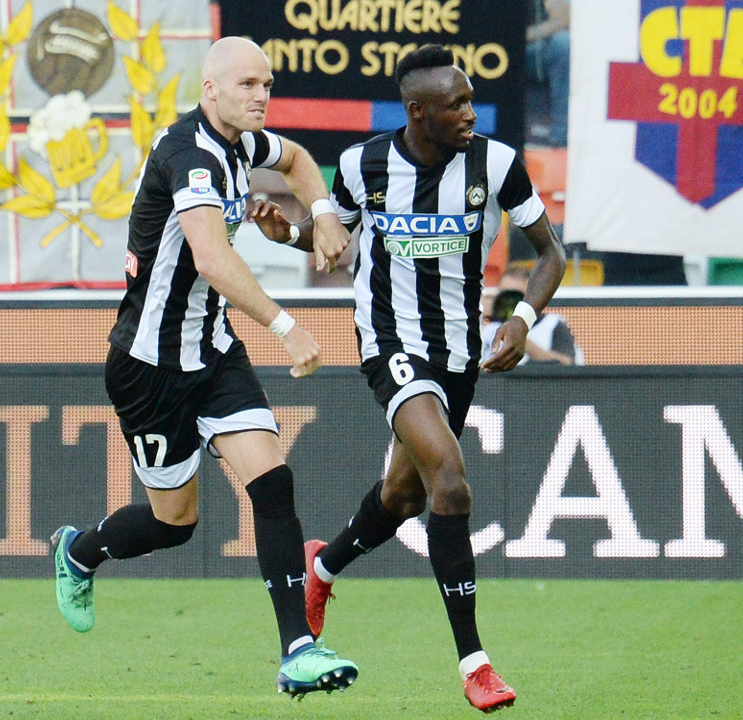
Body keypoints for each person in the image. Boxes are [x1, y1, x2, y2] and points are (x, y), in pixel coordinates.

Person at [49, 36, 360, 699]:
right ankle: (79, 551)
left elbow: (299, 159)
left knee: (272, 485)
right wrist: (287, 327)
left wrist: (321, 215)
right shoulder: (190, 156)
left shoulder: (242, 143)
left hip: (214, 352)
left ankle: (298, 650)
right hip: (149, 367)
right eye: (247, 84)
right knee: (174, 524)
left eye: (267, 84)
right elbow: (213, 260)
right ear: (210, 89)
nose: (262, 95)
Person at [298, 45, 566, 713]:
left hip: (458, 354)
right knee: (448, 477)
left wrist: (522, 319)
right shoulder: (362, 166)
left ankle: (322, 566)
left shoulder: (495, 164)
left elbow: (551, 254)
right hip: (389, 342)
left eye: (471, 100)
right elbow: (330, 236)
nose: (471, 114)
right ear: (418, 112)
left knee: (402, 495)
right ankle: (475, 664)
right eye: (458, 104)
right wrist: (287, 234)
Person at [482, 266, 582, 366]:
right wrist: (481, 315)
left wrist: (524, 343)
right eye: (505, 296)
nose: (510, 303)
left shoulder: (552, 325)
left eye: (517, 297)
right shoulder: (489, 329)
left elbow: (568, 364)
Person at [526, 0, 570, 146]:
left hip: (537, 49)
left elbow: (564, 17)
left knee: (564, 43)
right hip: (494, 50)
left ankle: (560, 139)